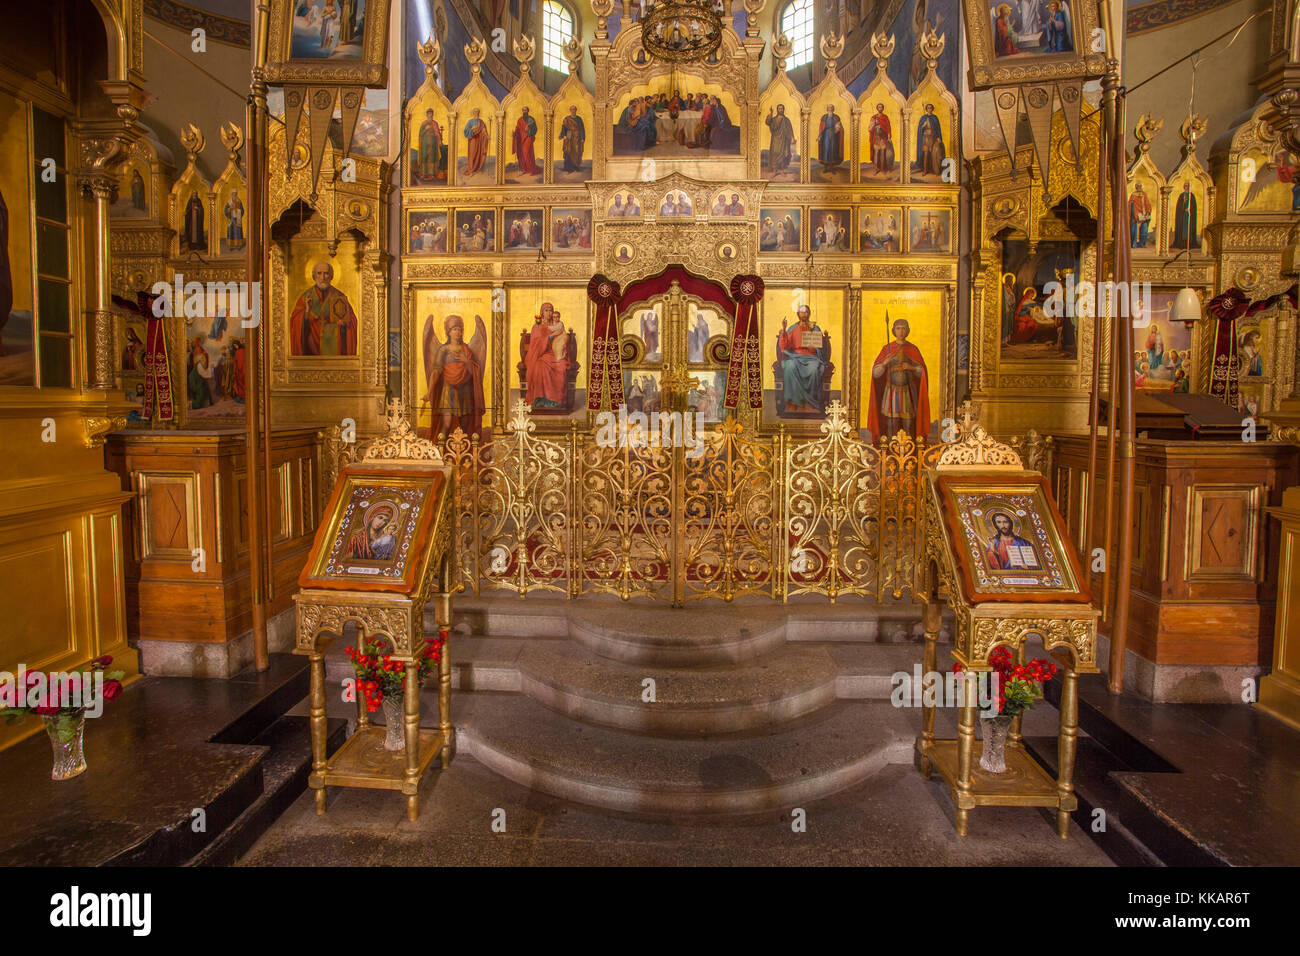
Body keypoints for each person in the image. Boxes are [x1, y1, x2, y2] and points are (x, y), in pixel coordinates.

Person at [424, 313, 487, 438]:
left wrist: (467, 361)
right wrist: (429, 392)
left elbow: (474, 370)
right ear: (448, 332)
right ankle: (441, 452)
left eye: (460, 329)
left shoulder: (466, 349)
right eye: (454, 329)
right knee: (446, 424)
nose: (458, 332)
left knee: (464, 425)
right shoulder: (443, 350)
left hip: (465, 391)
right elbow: (436, 371)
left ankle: (466, 453)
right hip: (448, 390)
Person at [867, 317, 930, 440]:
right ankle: (891, 449)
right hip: (891, 390)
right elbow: (875, 374)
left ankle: (909, 449)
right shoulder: (887, 349)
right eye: (898, 328)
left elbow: (922, 372)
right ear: (893, 330)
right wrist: (885, 362)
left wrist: (911, 367)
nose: (901, 331)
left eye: (903, 328)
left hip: (908, 391)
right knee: (891, 422)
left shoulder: (913, 349)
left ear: (907, 331)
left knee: (908, 423)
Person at [288, 261, 357, 356]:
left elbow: (351, 321)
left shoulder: (339, 296)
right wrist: (307, 312)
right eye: (319, 273)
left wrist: (343, 325)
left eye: (326, 273)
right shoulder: (305, 297)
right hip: (312, 348)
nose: (323, 277)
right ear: (314, 276)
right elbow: (295, 322)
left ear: (331, 276)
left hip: (335, 345)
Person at [777, 305, 831, 414]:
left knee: (813, 369)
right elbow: (784, 346)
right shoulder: (792, 328)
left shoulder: (815, 328)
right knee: (789, 366)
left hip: (811, 357)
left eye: (806, 312)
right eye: (802, 312)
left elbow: (821, 348)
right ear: (798, 314)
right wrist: (783, 329)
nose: (804, 314)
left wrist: (815, 349)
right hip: (795, 356)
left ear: (809, 313)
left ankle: (809, 404)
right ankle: (792, 404)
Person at [524, 302, 571, 409]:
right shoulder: (537, 326)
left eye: (551, 310)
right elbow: (535, 345)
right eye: (546, 310)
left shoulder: (556, 325)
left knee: (561, 367)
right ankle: (541, 399)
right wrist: (550, 337)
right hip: (540, 354)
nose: (549, 313)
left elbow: (563, 340)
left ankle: (556, 400)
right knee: (540, 366)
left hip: (554, 354)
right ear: (542, 312)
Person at [914, 104, 944, 177]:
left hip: (933, 137)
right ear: (926, 109)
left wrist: (938, 137)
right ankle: (925, 170)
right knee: (926, 154)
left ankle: (934, 170)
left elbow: (938, 129)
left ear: (932, 109)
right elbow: (920, 128)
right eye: (928, 108)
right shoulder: (923, 118)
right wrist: (923, 126)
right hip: (925, 138)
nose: (929, 109)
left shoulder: (935, 118)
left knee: (934, 154)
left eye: (930, 108)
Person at [765, 104, 795, 175]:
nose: (780, 110)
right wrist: (771, 113)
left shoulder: (786, 120)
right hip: (775, 140)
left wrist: (792, 138)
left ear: (783, 110)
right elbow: (768, 122)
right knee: (775, 154)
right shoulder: (774, 119)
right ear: (777, 110)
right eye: (779, 109)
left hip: (784, 140)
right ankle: (774, 171)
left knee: (783, 155)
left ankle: (781, 171)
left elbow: (790, 129)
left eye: (782, 108)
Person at [417, 109, 444, 183]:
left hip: (433, 142)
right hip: (425, 143)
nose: (430, 115)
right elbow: (420, 134)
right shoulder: (424, 123)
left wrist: (440, 141)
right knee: (424, 157)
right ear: (427, 115)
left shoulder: (435, 123)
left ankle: (432, 173)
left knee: (432, 157)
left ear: (432, 115)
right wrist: (425, 129)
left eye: (431, 114)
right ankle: (424, 173)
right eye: (429, 114)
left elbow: (437, 133)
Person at [512, 107, 541, 176]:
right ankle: (525, 169)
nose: (524, 111)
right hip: (521, 138)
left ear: (528, 111)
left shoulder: (531, 119)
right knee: (521, 153)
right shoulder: (520, 120)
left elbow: (535, 129)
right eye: (523, 110)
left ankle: (531, 169)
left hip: (528, 137)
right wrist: (515, 133)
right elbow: (517, 128)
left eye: (525, 110)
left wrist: (529, 129)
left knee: (526, 153)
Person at [558, 105, 586, 173]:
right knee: (568, 150)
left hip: (577, 136)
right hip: (569, 134)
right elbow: (564, 127)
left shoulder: (579, 119)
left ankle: (576, 166)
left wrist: (582, 137)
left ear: (576, 110)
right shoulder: (567, 119)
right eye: (572, 109)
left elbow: (582, 128)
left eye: (574, 109)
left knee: (576, 151)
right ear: (570, 110)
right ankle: (568, 167)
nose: (573, 111)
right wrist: (563, 135)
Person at [1172, 180, 1199, 250]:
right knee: (1183, 229)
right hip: (1182, 216)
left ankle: (1190, 243)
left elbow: (1193, 206)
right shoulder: (1182, 195)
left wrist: (1190, 210)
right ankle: (1181, 243)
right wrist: (1183, 206)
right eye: (1185, 186)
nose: (1187, 187)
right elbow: (1179, 206)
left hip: (1189, 216)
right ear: (1184, 187)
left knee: (1189, 228)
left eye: (1188, 186)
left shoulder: (1191, 195)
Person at [463, 108, 490, 177]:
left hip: (479, 141)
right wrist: (472, 129)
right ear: (473, 113)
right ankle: (471, 170)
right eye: (475, 113)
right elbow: (466, 131)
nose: (476, 114)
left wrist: (486, 136)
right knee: (472, 155)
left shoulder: (481, 122)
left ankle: (476, 169)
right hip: (472, 140)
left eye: (477, 113)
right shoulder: (470, 121)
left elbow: (483, 130)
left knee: (478, 154)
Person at [868, 103, 894, 174]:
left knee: (882, 153)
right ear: (877, 108)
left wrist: (888, 136)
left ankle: (882, 168)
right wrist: (874, 125)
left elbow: (888, 127)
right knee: (876, 153)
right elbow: (869, 129)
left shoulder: (885, 117)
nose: (880, 108)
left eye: (881, 107)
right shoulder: (874, 117)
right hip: (876, 138)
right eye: (879, 107)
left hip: (883, 138)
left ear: (883, 108)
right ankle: (876, 168)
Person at [817, 105, 844, 172]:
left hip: (834, 136)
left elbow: (839, 126)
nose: (830, 109)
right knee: (826, 150)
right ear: (827, 109)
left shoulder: (836, 117)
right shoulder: (824, 117)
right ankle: (826, 167)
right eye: (829, 108)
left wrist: (837, 129)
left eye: (831, 108)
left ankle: (832, 168)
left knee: (833, 150)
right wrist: (820, 136)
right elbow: (821, 128)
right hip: (826, 135)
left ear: (833, 109)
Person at [1129, 182, 1152, 247]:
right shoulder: (1133, 195)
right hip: (1135, 215)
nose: (1139, 187)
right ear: (1136, 187)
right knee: (1134, 230)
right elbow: (1130, 205)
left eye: (1140, 186)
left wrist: (1148, 212)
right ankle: (1134, 244)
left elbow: (1147, 204)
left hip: (1144, 215)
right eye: (1138, 186)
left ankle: (1142, 244)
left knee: (1144, 230)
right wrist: (1134, 214)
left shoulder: (1144, 194)